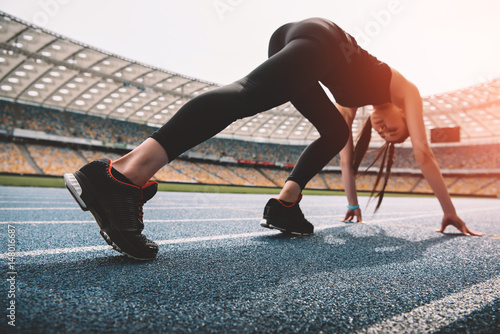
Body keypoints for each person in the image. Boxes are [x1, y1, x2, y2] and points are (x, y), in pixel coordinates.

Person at [64, 17, 481, 260]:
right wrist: (449, 211)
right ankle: (122, 176)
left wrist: (351, 203)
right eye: (397, 129)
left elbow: (344, 148)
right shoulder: (404, 88)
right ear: (404, 114)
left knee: (334, 130)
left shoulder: (361, 96)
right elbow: (424, 154)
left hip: (305, 41)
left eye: (391, 136)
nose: (391, 131)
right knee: (247, 95)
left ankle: (285, 205)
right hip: (323, 42)